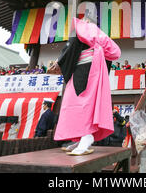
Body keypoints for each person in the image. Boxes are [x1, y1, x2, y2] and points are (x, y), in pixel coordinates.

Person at [50, 16, 121, 155]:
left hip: (82, 71)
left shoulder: (83, 31)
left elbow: (71, 47)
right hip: (93, 71)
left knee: (78, 104)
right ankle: (82, 137)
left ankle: (86, 136)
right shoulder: (99, 36)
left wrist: (59, 63)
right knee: (86, 104)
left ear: (86, 22)